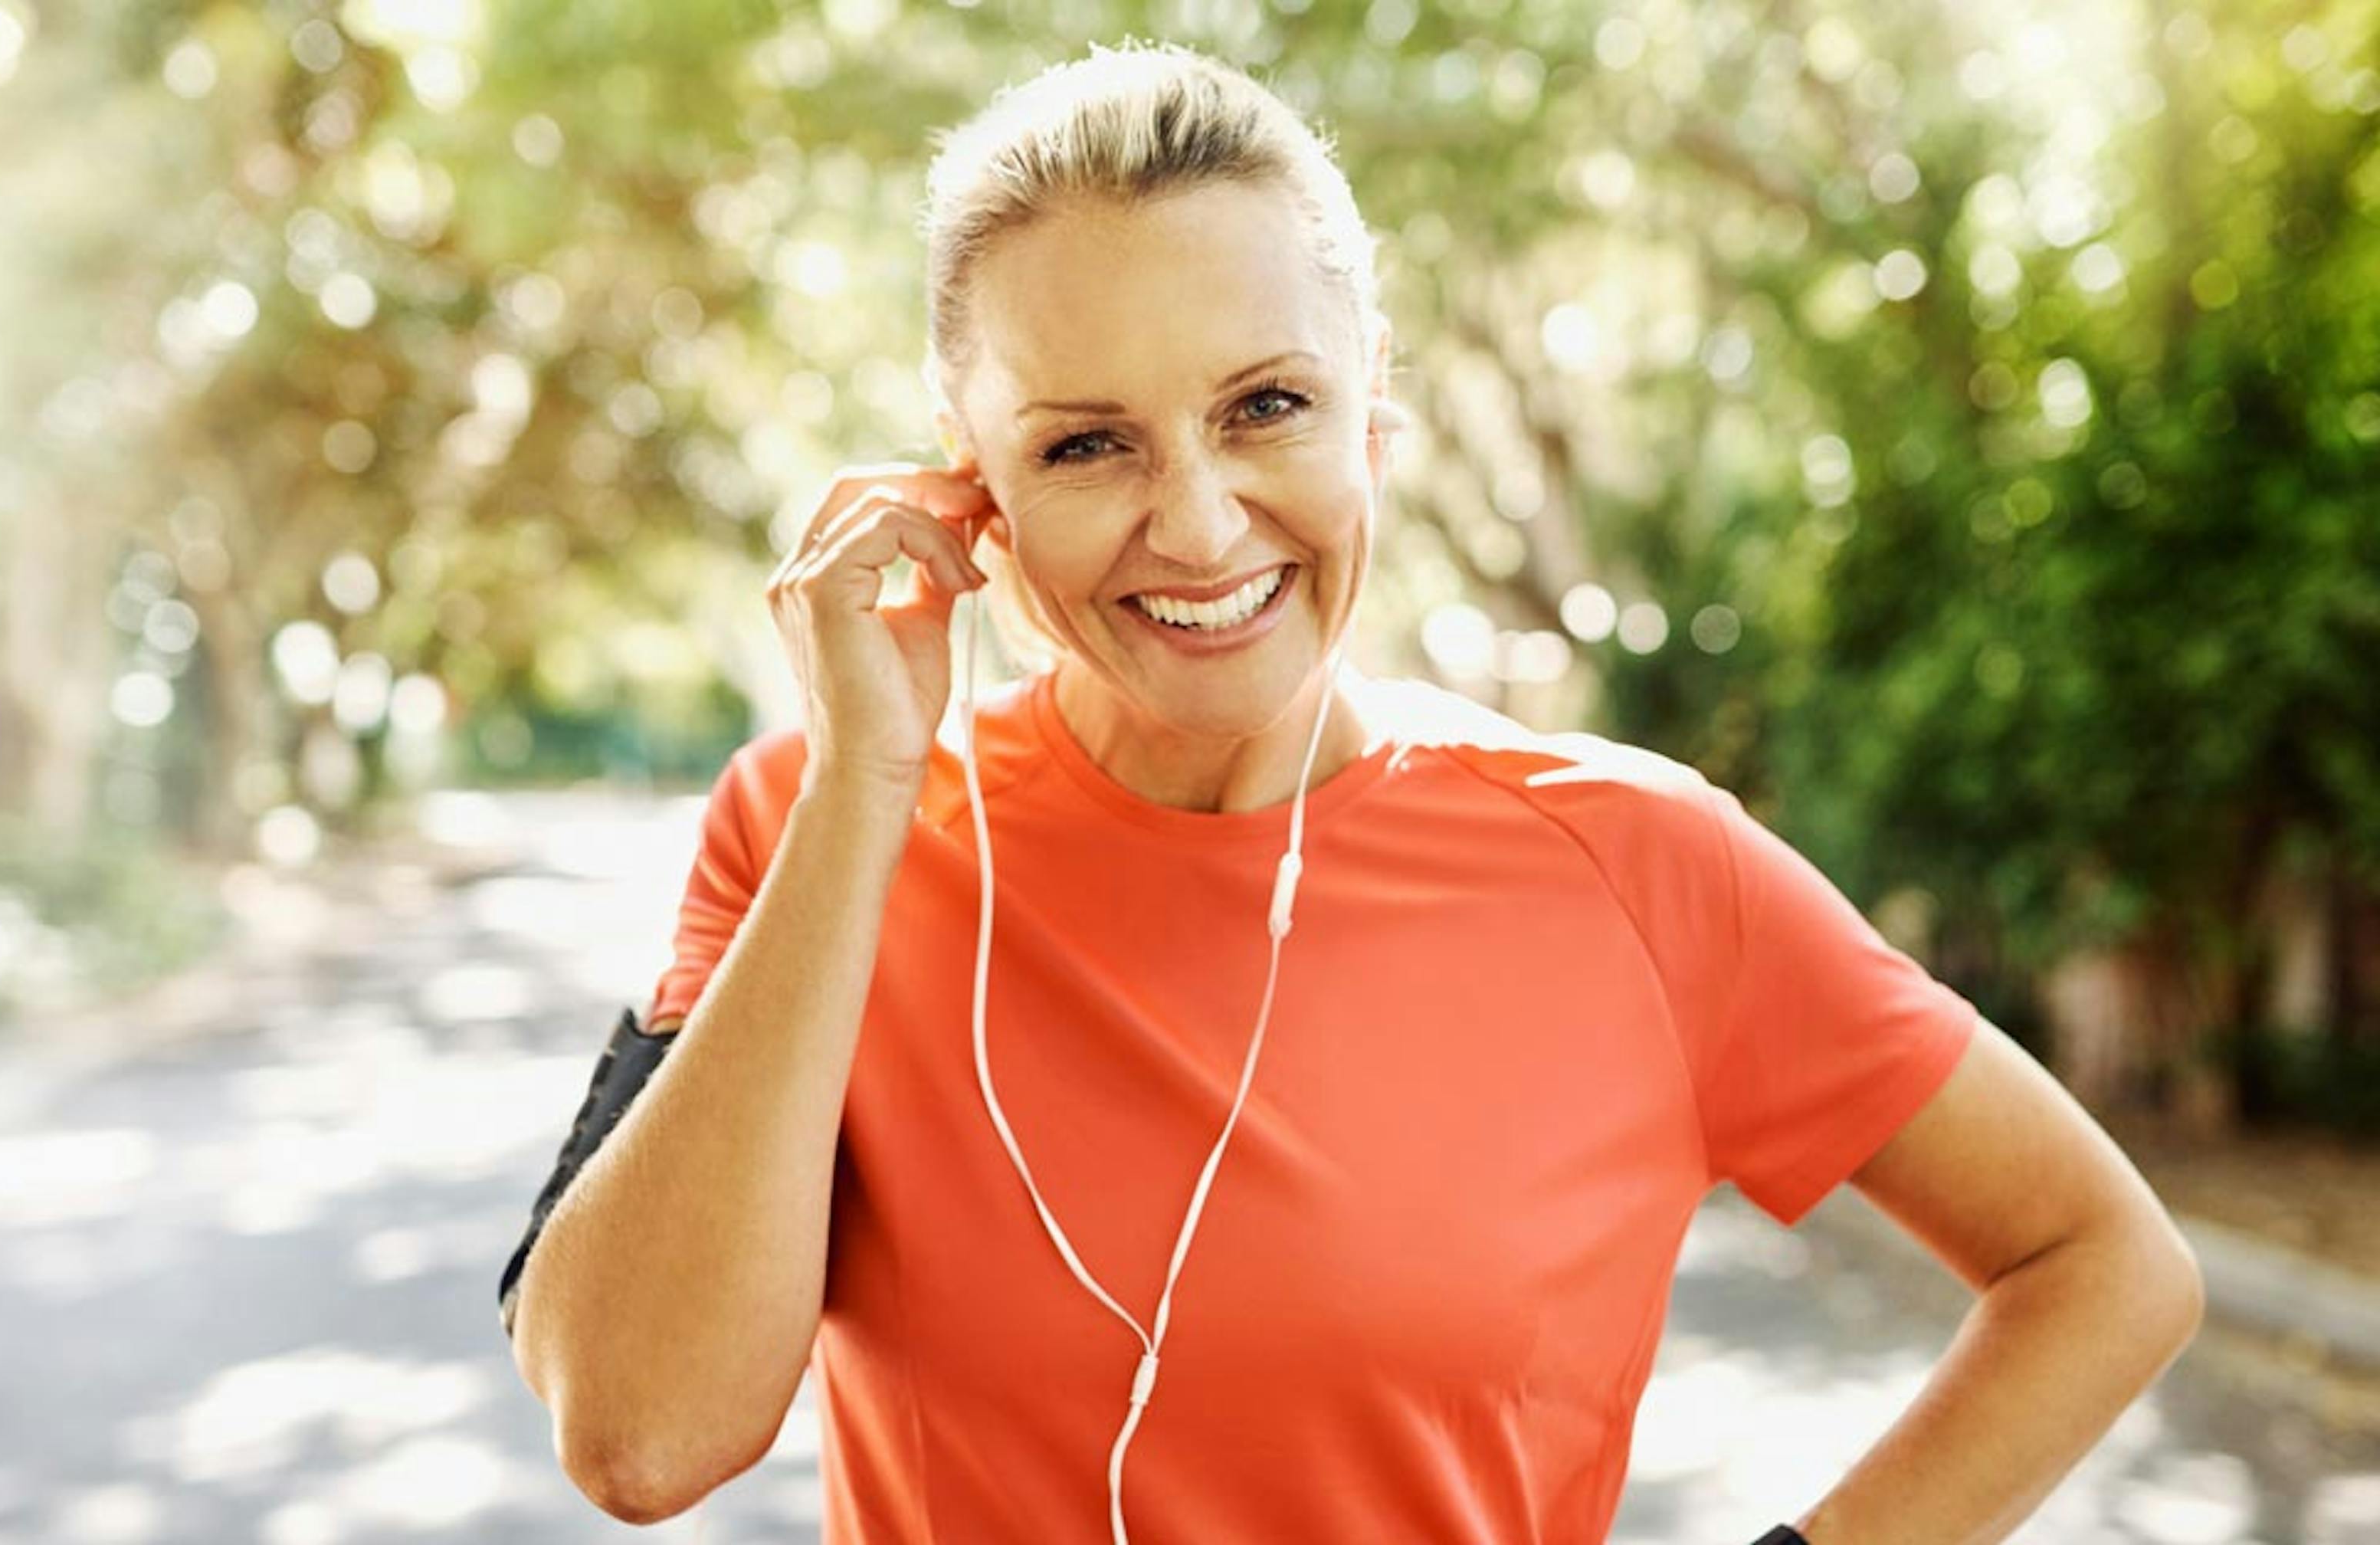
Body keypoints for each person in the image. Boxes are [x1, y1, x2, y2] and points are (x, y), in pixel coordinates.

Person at [503, 39, 2205, 1545]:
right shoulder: (815, 825)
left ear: (1370, 410)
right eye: (1086, 444)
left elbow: (2100, 1263)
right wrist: (866, 794)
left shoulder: (1641, 864)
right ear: (970, 487)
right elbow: (641, 1437)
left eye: (1267, 408)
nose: (1197, 523)